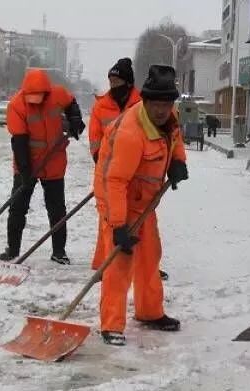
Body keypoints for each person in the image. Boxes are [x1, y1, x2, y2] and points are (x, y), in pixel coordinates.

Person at [93, 65, 189, 346]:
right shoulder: (130, 134)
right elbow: (116, 181)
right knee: (120, 261)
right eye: (156, 104)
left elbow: (175, 139)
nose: (162, 110)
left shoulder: (170, 119)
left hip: (144, 200)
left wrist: (178, 161)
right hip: (116, 198)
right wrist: (119, 226)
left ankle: (150, 312)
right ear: (144, 101)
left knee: (150, 255)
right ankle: (111, 325)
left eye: (166, 104)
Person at [89, 58, 171, 280]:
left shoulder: (144, 103)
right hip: (110, 172)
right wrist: (104, 162)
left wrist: (177, 161)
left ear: (128, 82)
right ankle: (104, 264)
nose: (114, 85)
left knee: (144, 232)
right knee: (112, 225)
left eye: (118, 80)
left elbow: (170, 133)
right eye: (111, 80)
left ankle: (145, 268)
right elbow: (95, 139)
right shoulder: (101, 105)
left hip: (140, 180)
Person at [2, 68, 85, 264]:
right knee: (17, 207)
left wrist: (75, 120)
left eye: (39, 96)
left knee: (57, 209)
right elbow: (19, 141)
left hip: (54, 161)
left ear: (47, 92)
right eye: (32, 97)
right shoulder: (16, 105)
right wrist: (25, 171)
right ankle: (13, 250)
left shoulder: (58, 94)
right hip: (27, 163)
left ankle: (59, 252)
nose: (35, 100)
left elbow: (72, 104)